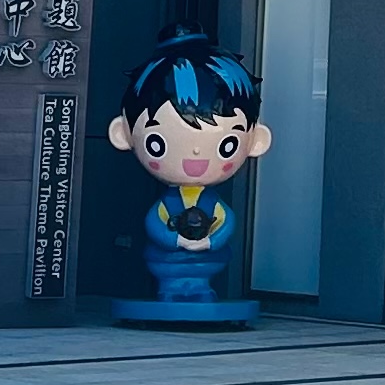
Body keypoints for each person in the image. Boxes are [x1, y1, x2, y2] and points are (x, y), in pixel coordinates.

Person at [108, 33, 270, 327]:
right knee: (168, 273)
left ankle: (201, 290)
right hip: (166, 260)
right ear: (123, 134)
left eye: (227, 145)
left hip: (206, 261)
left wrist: (209, 242)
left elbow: (226, 222)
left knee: (202, 278)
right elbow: (155, 224)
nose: (195, 154)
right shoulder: (167, 204)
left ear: (255, 141)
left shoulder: (212, 204)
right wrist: (177, 239)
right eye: (157, 143)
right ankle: (169, 292)